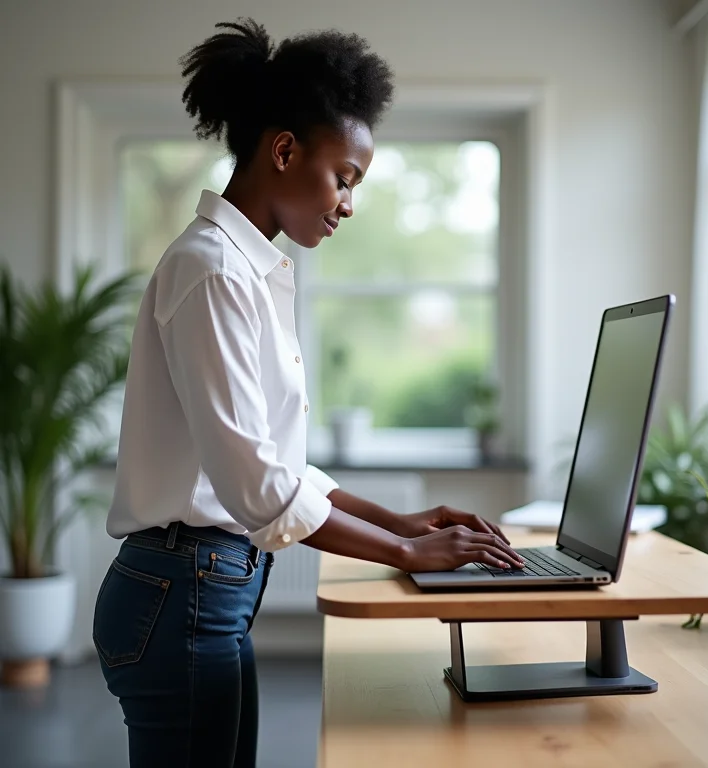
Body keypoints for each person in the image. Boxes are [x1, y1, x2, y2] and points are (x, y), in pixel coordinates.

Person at [92, 18, 524, 768]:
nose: (348, 205)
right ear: (284, 150)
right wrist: (406, 551)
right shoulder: (213, 271)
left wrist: (401, 521)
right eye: (344, 178)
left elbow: (274, 466)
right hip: (182, 593)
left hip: (202, 593)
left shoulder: (247, 270)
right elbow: (258, 486)